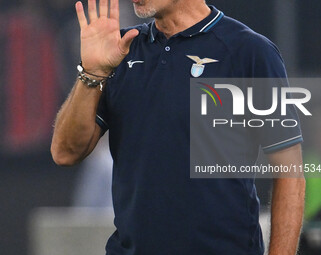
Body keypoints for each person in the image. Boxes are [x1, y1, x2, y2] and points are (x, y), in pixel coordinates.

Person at [51, 0, 305, 254]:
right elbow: (65, 153)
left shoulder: (248, 50)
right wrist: (92, 75)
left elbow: (290, 173)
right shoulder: (121, 49)